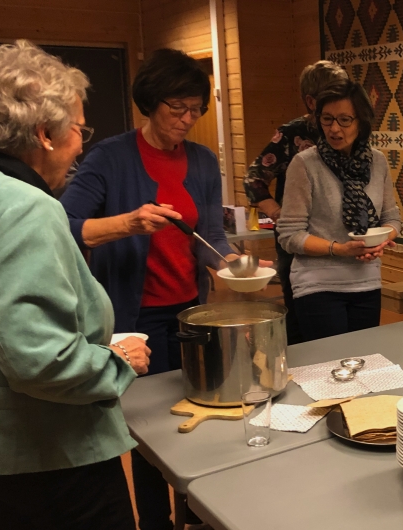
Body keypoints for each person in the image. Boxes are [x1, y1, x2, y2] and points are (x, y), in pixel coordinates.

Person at [0, 40, 150, 530]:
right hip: (49, 452)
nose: (81, 144)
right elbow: (40, 360)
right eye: (80, 129)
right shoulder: (27, 207)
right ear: (44, 134)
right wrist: (116, 361)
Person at [59, 48, 256, 530]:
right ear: (150, 102)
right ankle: (155, 521)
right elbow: (62, 225)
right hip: (135, 318)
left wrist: (234, 265)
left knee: (200, 412)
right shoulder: (110, 157)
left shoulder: (202, 161)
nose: (187, 119)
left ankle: (198, 514)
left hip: (190, 312)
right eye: (177, 108)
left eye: (196, 110)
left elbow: (210, 236)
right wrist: (127, 223)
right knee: (148, 429)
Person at [277, 80, 401, 341]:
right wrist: (340, 249)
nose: (334, 128)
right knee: (329, 362)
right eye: (327, 119)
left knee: (364, 359)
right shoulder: (305, 164)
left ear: (361, 121)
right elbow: (290, 235)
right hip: (317, 284)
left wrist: (380, 241)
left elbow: (392, 219)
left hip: (366, 281)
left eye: (345, 120)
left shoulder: (377, 161)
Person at [243, 60, 348, 344]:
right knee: (302, 321)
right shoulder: (292, 134)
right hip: (300, 243)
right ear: (312, 101)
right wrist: (277, 212)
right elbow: (253, 178)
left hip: (340, 240)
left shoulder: (351, 130)